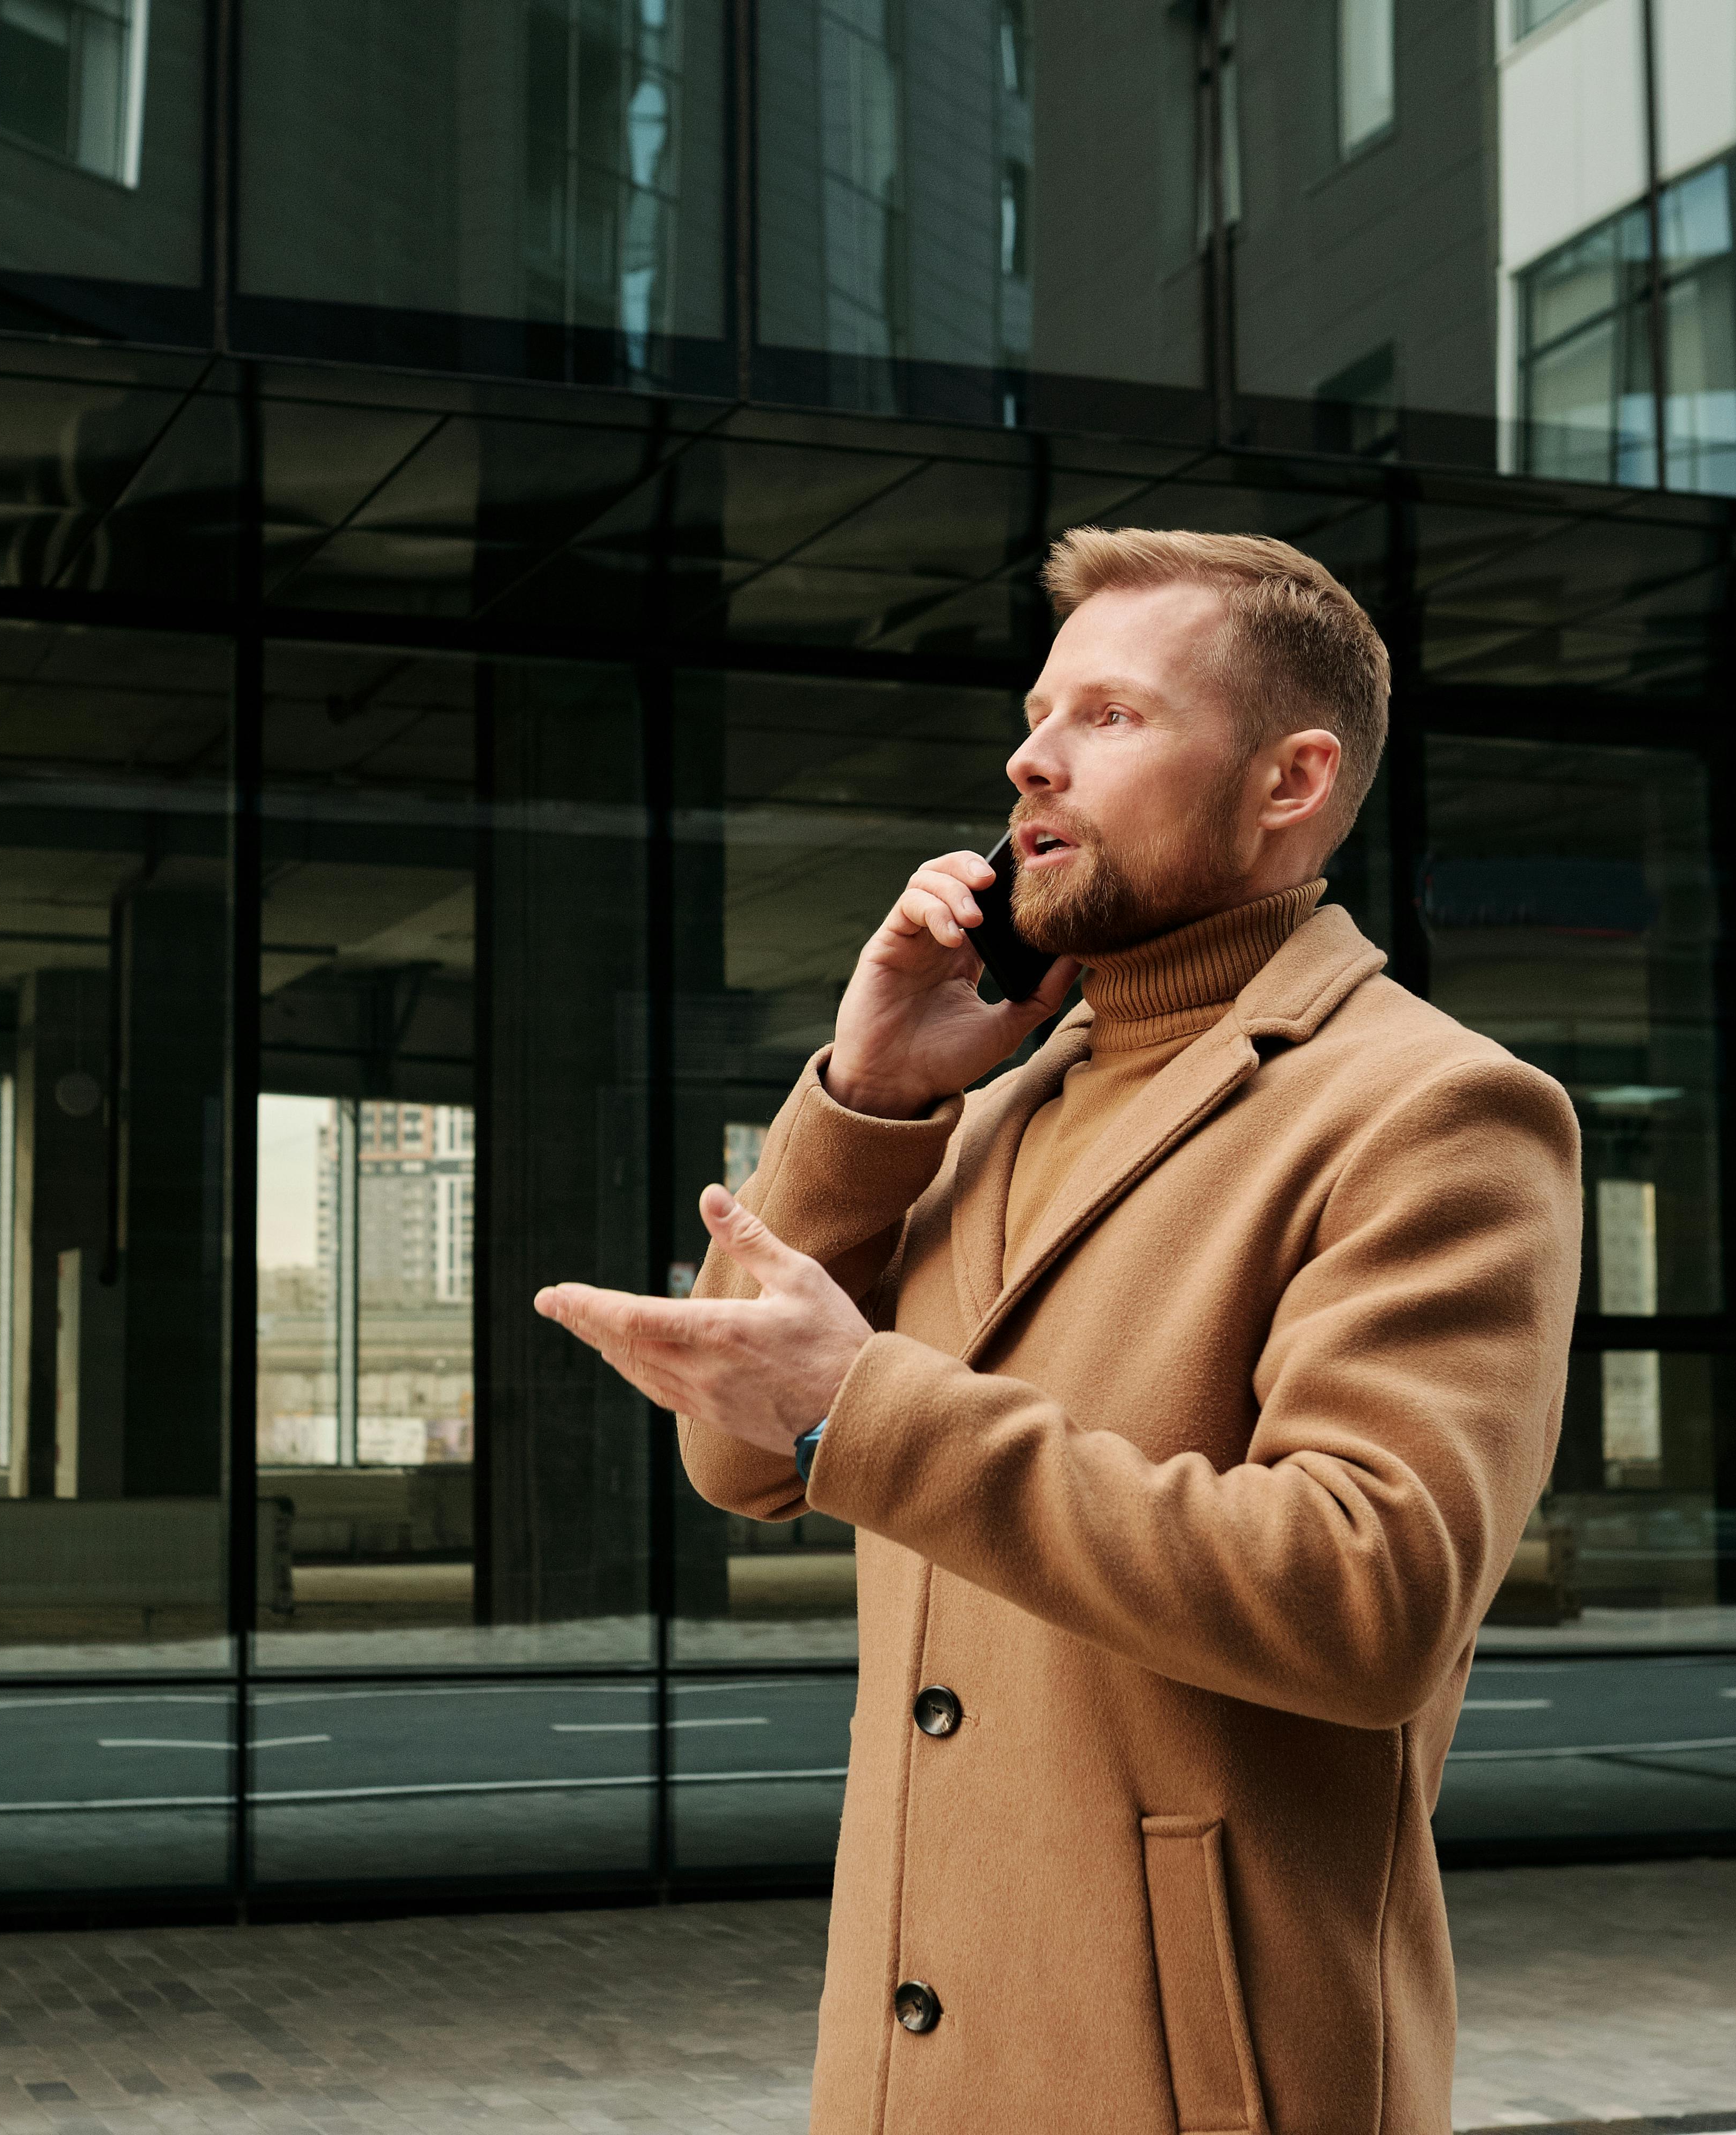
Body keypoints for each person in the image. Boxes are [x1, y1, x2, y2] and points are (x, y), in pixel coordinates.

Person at [535, 529, 1582, 2134]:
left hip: (1195, 2081)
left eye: (1109, 716)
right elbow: (741, 1460)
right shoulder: (992, 1101)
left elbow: (1372, 1595)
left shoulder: (1436, 1109)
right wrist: (869, 1095)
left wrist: (866, 1405)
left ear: (1288, 780)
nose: (1030, 757)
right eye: (1037, 713)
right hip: (907, 2066)